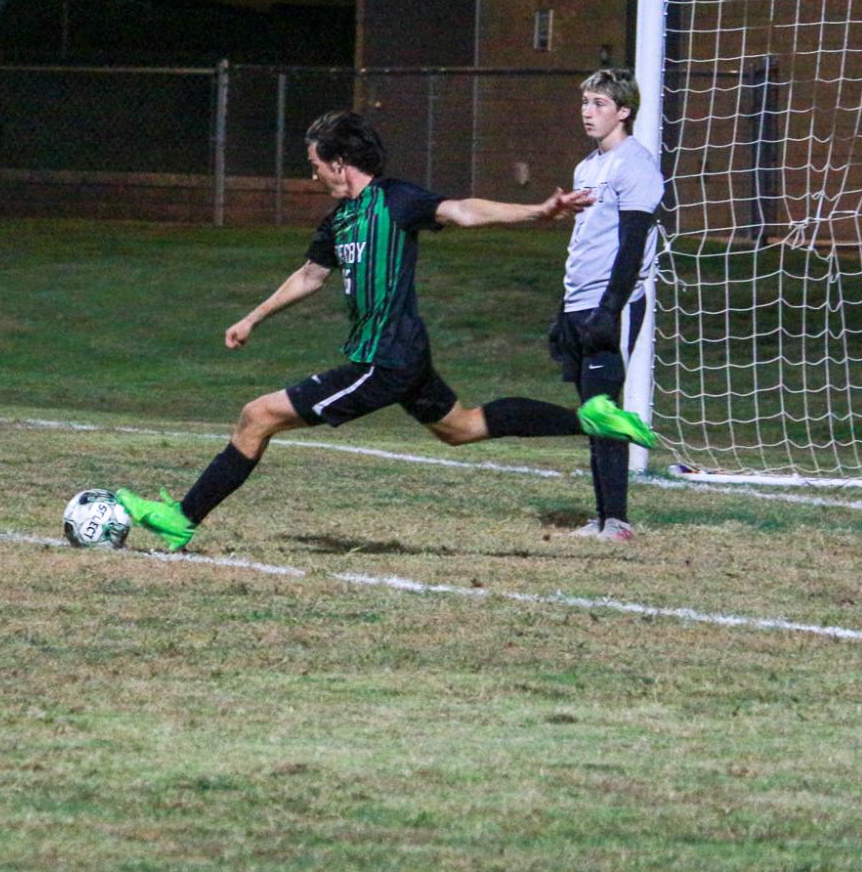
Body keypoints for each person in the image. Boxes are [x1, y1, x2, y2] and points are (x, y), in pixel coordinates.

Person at [116, 109, 655, 552]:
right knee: (461, 427)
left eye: (315, 165)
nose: (313, 176)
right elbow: (310, 275)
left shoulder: (396, 200)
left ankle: (182, 518)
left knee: (257, 416)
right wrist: (253, 317)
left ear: (341, 163)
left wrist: (537, 211)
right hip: (402, 356)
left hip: (384, 360)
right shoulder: (339, 220)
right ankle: (589, 418)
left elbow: (462, 210)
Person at [548, 69, 666, 542]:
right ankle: (600, 518)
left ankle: (616, 521)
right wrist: (565, 309)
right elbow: (585, 241)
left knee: (603, 408)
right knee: (590, 410)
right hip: (579, 302)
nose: (587, 111)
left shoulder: (634, 164)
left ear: (624, 111)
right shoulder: (587, 167)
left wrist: (610, 309)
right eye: (585, 102)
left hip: (608, 304)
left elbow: (632, 245)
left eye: (599, 103)